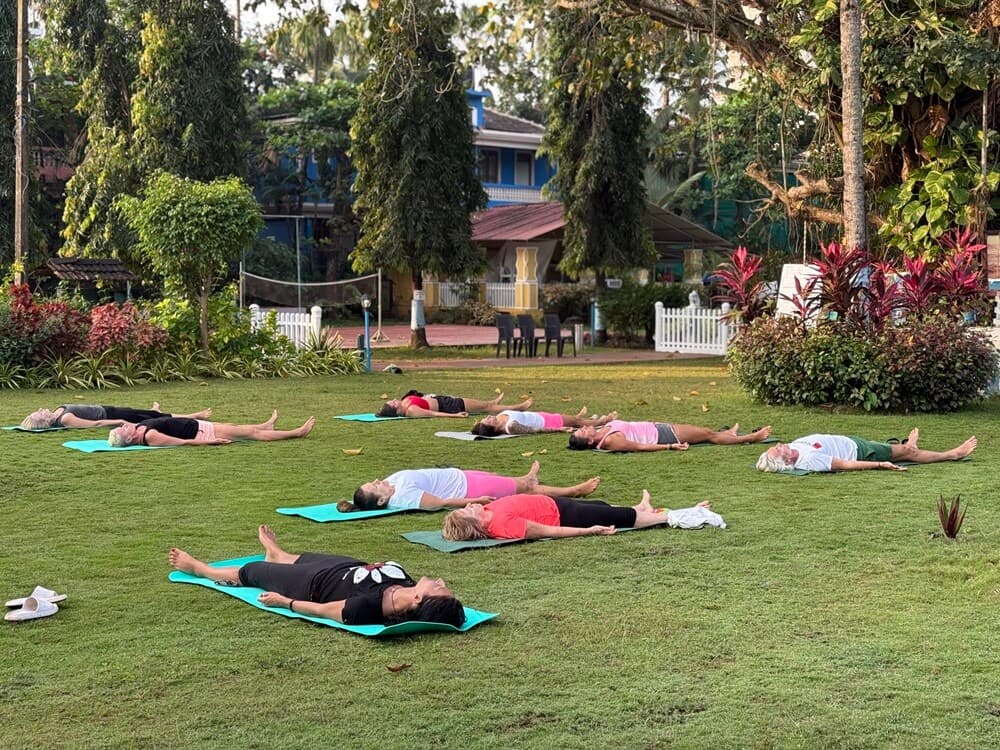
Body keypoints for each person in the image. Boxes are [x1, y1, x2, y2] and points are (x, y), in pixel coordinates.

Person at [169, 525, 465, 627]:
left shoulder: (368, 608)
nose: (441, 582)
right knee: (291, 558)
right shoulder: (409, 585)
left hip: (310, 585)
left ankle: (199, 568)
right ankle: (278, 554)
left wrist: (285, 602)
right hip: (345, 568)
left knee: (252, 571)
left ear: (418, 599)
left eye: (440, 588)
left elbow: (323, 611)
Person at [442, 490, 712, 541]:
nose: (470, 505)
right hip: (566, 517)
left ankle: (641, 508)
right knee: (626, 518)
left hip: (558, 504)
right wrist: (589, 530)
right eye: (467, 510)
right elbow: (549, 532)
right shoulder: (502, 526)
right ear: (473, 522)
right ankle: (684, 515)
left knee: (604, 505)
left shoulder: (488, 510)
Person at [341, 460, 602, 512]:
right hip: (467, 488)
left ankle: (527, 478)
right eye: (375, 486)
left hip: (460, 476)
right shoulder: (404, 498)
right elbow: (441, 503)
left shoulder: (391, 486)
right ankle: (574, 491)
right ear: (381, 501)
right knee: (527, 489)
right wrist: (473, 501)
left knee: (506, 480)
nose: (378, 481)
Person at [755, 428, 977, 473]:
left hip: (852, 441)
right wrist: (880, 464)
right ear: (785, 462)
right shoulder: (810, 460)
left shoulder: (793, 448)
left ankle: (909, 446)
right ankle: (953, 454)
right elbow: (845, 465)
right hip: (861, 452)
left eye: (776, 446)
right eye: (777, 450)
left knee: (901, 449)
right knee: (908, 453)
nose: (778, 445)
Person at [108, 410, 314, 447]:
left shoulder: (139, 428)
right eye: (122, 430)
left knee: (236, 427)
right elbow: (182, 442)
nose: (124, 426)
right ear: (130, 439)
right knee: (253, 435)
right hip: (204, 433)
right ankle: (297, 432)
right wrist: (209, 442)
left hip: (200, 425)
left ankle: (266, 425)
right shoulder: (150, 437)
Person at [568, 420, 772, 452]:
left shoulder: (603, 428)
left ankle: (729, 434)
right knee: (708, 435)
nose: (585, 427)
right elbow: (639, 447)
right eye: (583, 431)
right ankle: (751, 438)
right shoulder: (611, 441)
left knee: (705, 432)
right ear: (590, 441)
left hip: (658, 427)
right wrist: (669, 446)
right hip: (664, 436)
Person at [20, 402, 211, 430]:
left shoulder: (58, 412)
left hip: (108, 408)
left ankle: (156, 411)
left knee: (148, 413)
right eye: (40, 413)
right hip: (110, 414)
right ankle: (194, 416)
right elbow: (95, 424)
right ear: (44, 421)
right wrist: (119, 421)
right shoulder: (65, 419)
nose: (41, 409)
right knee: (153, 416)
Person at [376, 390, 532, 419]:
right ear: (396, 409)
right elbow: (433, 414)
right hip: (448, 406)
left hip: (444, 400)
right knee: (487, 409)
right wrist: (455, 415)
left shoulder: (405, 402)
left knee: (485, 405)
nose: (394, 399)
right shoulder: (411, 411)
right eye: (392, 402)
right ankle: (518, 407)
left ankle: (493, 402)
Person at [470, 407, 618, 437]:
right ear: (494, 429)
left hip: (540, 415)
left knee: (576, 420)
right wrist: (558, 429)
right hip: (547, 422)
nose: (488, 417)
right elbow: (534, 431)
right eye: (488, 420)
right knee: (577, 422)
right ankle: (604, 420)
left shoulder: (500, 417)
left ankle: (594, 420)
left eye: (486, 417)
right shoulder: (511, 426)